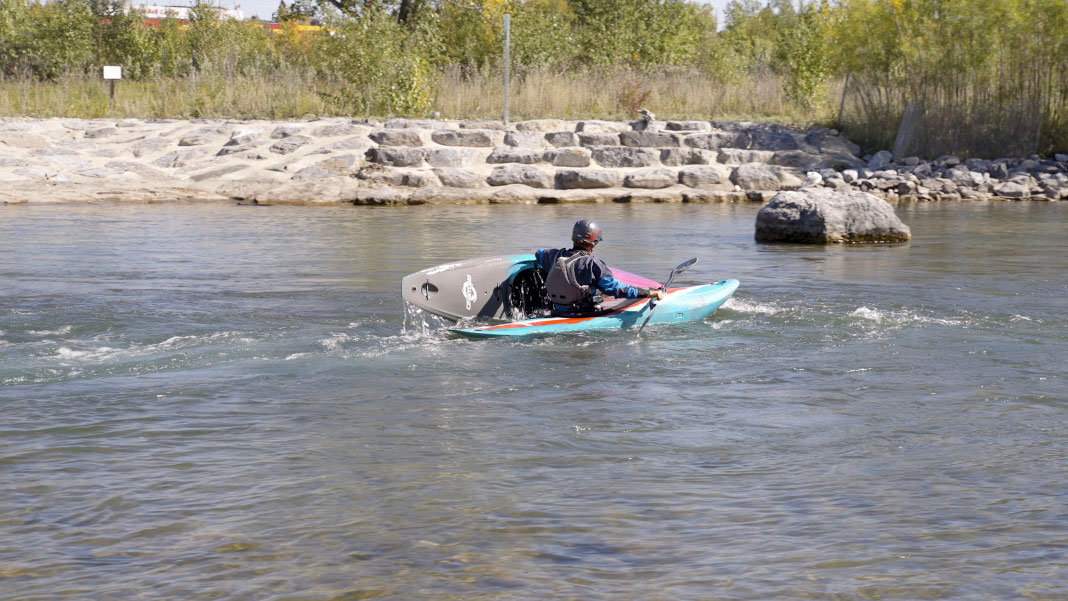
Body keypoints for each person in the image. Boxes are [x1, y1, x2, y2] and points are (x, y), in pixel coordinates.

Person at [535, 219, 663, 316]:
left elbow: (538, 253)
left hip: (558, 312)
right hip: (582, 314)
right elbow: (615, 289)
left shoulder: (553, 255)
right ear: (594, 242)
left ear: (573, 238)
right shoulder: (593, 263)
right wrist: (649, 292)